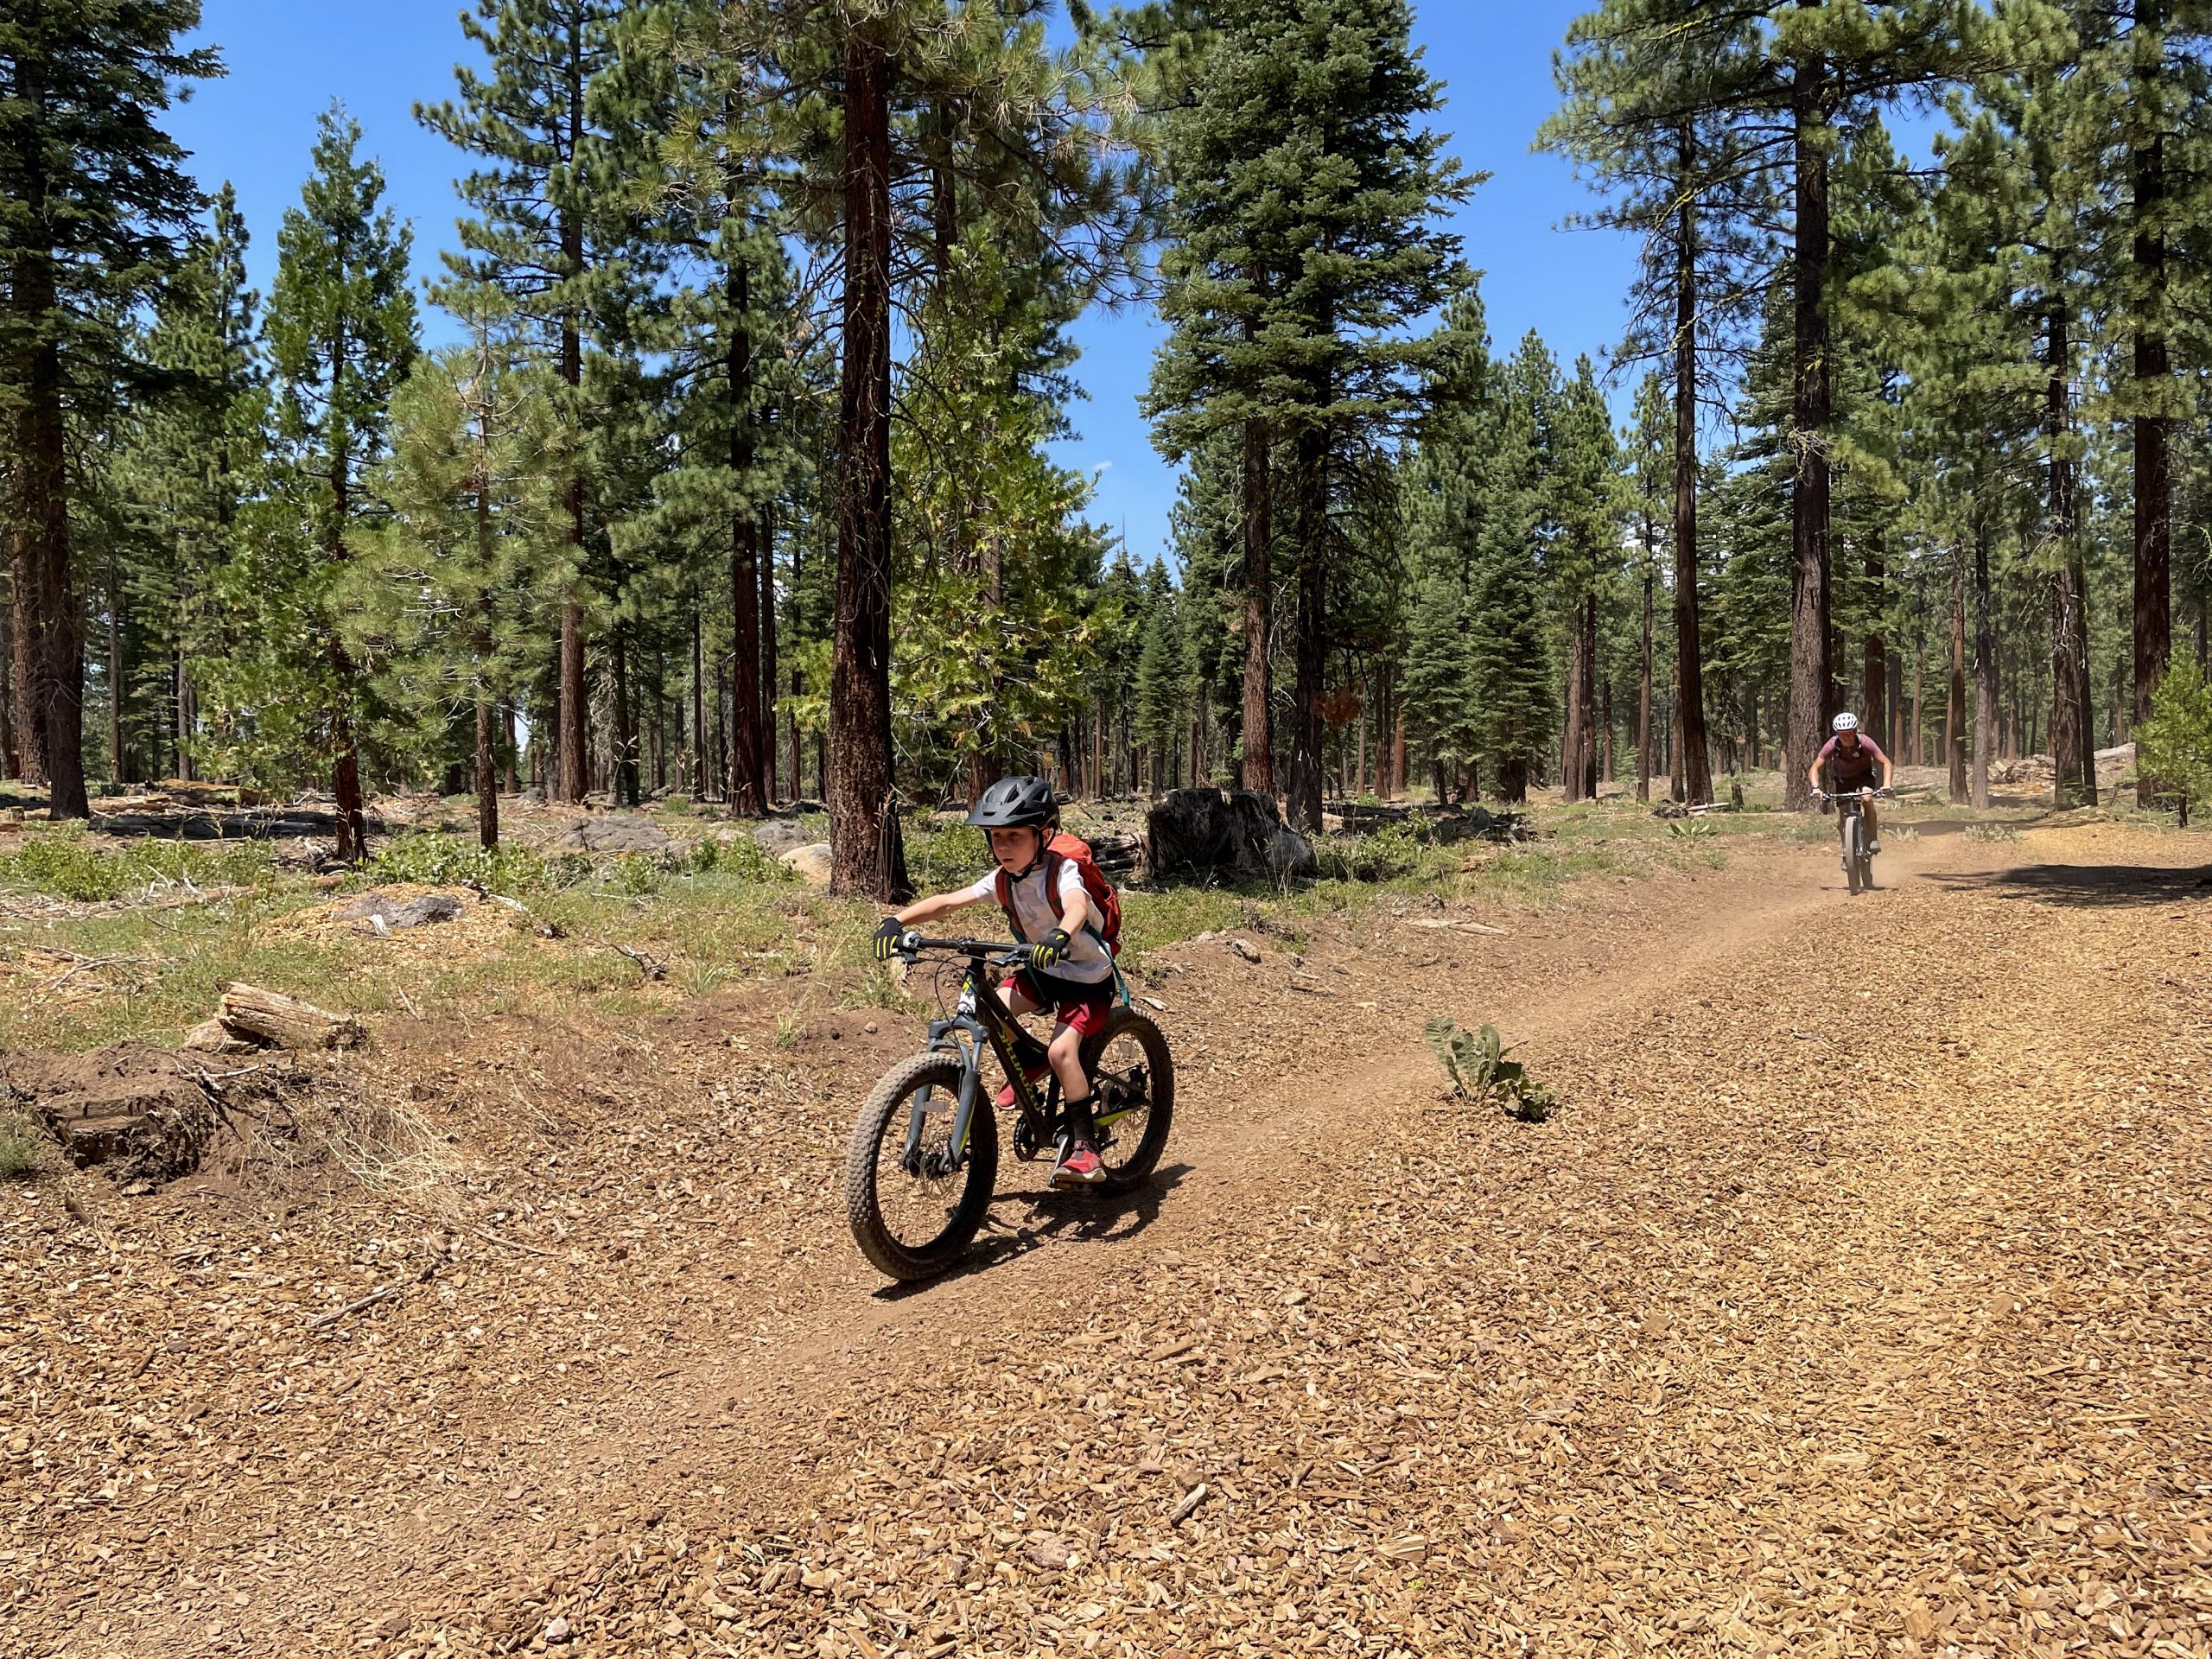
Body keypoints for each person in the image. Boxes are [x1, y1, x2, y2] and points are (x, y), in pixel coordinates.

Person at [871, 775, 1113, 1188]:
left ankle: (1084, 1147)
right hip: (1043, 970)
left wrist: (1060, 934)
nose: (1003, 846)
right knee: (993, 1008)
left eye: (1015, 835)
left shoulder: (1063, 872)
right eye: (996, 836)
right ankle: (1031, 1061)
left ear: (1044, 835)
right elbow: (948, 902)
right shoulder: (1003, 879)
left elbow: (1075, 906)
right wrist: (896, 920)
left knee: (1062, 1052)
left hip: (1087, 979)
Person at [1806, 712, 1894, 851]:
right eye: (1842, 734)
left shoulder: (1865, 742)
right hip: (1843, 778)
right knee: (1843, 810)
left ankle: (1873, 838)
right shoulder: (1832, 745)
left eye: (1850, 733)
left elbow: (1886, 762)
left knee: (1867, 799)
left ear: (1855, 731)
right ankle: (1846, 849)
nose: (1847, 737)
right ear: (1837, 734)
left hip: (1864, 775)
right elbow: (1815, 767)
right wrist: (1816, 787)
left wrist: (1887, 784)